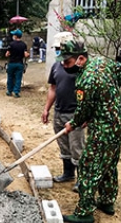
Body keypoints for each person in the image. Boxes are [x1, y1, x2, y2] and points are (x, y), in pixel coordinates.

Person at [59, 40, 121, 223]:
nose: (64, 66)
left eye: (67, 62)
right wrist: (108, 95)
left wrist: (72, 124)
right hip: (120, 124)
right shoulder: (102, 61)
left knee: (88, 166)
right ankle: (106, 201)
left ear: (80, 59)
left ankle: (84, 213)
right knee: (108, 164)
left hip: (104, 128)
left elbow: (84, 111)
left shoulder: (86, 80)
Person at [41, 33, 85, 193]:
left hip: (75, 114)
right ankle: (68, 173)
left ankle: (82, 180)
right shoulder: (56, 65)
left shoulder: (79, 67)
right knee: (64, 146)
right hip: (59, 112)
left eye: (60, 48)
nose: (59, 52)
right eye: (58, 49)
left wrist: (84, 116)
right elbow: (53, 88)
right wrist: (47, 108)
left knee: (77, 148)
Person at [5, 29, 29, 98]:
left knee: (10, 77)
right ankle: (16, 92)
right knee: (18, 78)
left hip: (12, 63)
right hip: (19, 63)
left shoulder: (11, 44)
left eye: (14, 35)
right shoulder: (23, 44)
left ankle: (9, 91)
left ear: (15, 36)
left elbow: (7, 54)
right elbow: (25, 55)